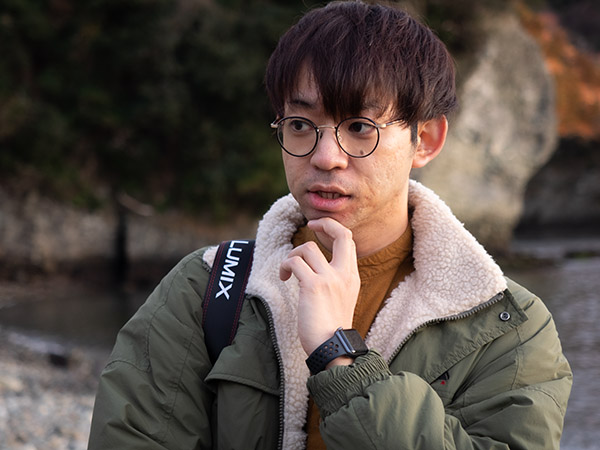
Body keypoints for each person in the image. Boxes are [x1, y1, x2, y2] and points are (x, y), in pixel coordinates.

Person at [88, 1, 572, 449]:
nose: (325, 157)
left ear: (425, 139)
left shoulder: (505, 328)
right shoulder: (207, 290)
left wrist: (338, 356)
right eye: (301, 125)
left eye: (360, 128)